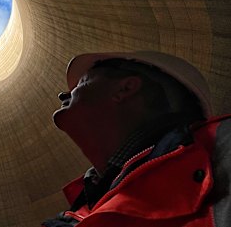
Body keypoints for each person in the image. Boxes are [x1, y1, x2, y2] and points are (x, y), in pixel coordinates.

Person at [42, 51, 231, 227]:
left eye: (82, 82)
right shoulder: (76, 214)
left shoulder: (222, 145)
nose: (63, 94)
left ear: (126, 88)